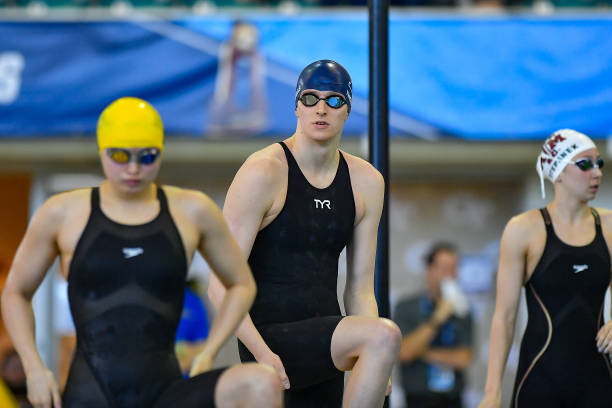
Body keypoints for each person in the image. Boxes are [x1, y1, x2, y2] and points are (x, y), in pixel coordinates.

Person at [1, 97, 282, 408]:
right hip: (91, 396)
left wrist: (209, 350)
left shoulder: (192, 210)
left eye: (147, 157)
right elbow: (15, 292)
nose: (133, 168)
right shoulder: (63, 213)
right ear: (102, 150)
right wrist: (34, 367)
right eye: (120, 156)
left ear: (160, 152)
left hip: (166, 393)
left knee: (262, 382)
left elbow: (241, 284)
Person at [208, 59, 401, 408]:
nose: (321, 109)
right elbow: (220, 286)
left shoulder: (366, 182)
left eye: (334, 100)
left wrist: (377, 357)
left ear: (348, 110)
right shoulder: (264, 171)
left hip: (328, 341)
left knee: (381, 337)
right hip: (267, 335)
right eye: (311, 98)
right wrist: (261, 353)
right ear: (296, 105)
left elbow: (359, 289)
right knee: (384, 334)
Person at [479, 129, 612, 408]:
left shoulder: (610, 227)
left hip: (599, 381)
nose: (597, 173)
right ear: (558, 172)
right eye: (585, 164)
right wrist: (491, 393)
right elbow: (504, 317)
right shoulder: (524, 230)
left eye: (598, 163)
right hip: (540, 378)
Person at [394, 242, 473, 408]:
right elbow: (404, 352)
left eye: (454, 268)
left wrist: (421, 352)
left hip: (453, 398)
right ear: (429, 270)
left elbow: (463, 358)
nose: (450, 275)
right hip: (418, 398)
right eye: (445, 268)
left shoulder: (463, 310)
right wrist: (438, 318)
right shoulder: (406, 306)